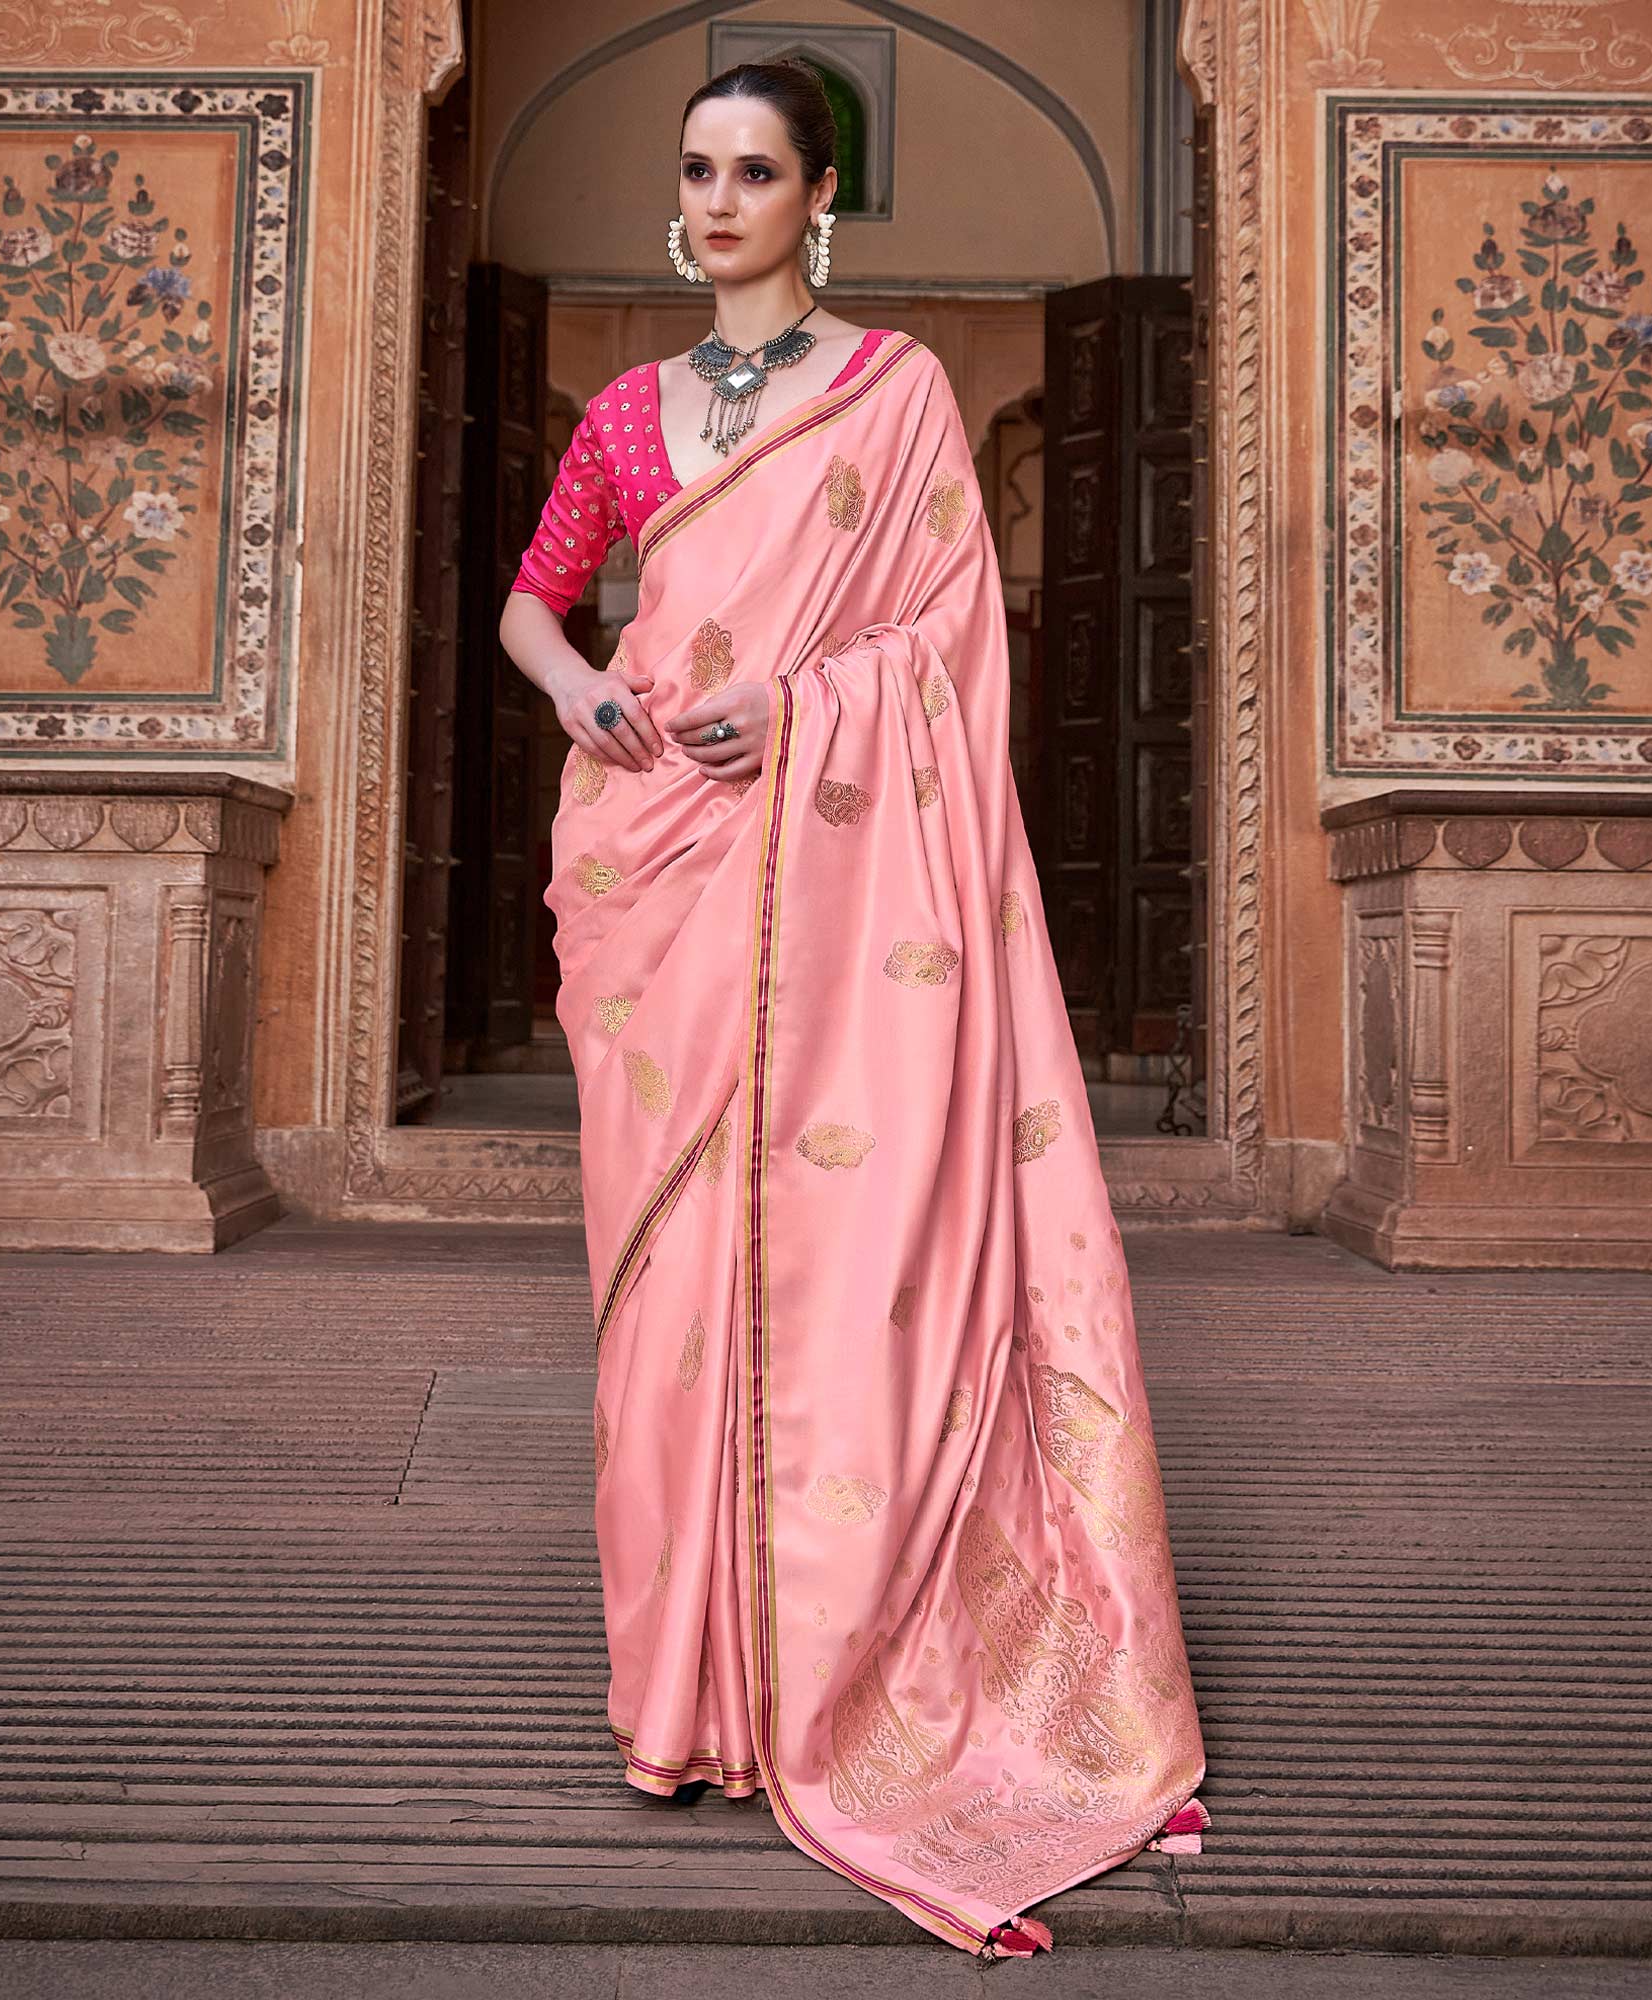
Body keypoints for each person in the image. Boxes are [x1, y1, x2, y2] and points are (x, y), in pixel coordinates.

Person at [496, 56, 1207, 1963]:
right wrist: (582, 696)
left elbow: (950, 638)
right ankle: (688, 1703)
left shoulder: (890, 400)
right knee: (663, 1295)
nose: (717, 201)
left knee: (833, 1257)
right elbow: (534, 604)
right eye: (697, 170)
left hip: (831, 876)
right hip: (660, 873)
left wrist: (800, 707)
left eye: (756, 174)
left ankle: (840, 1670)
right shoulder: (639, 417)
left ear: (825, 200)